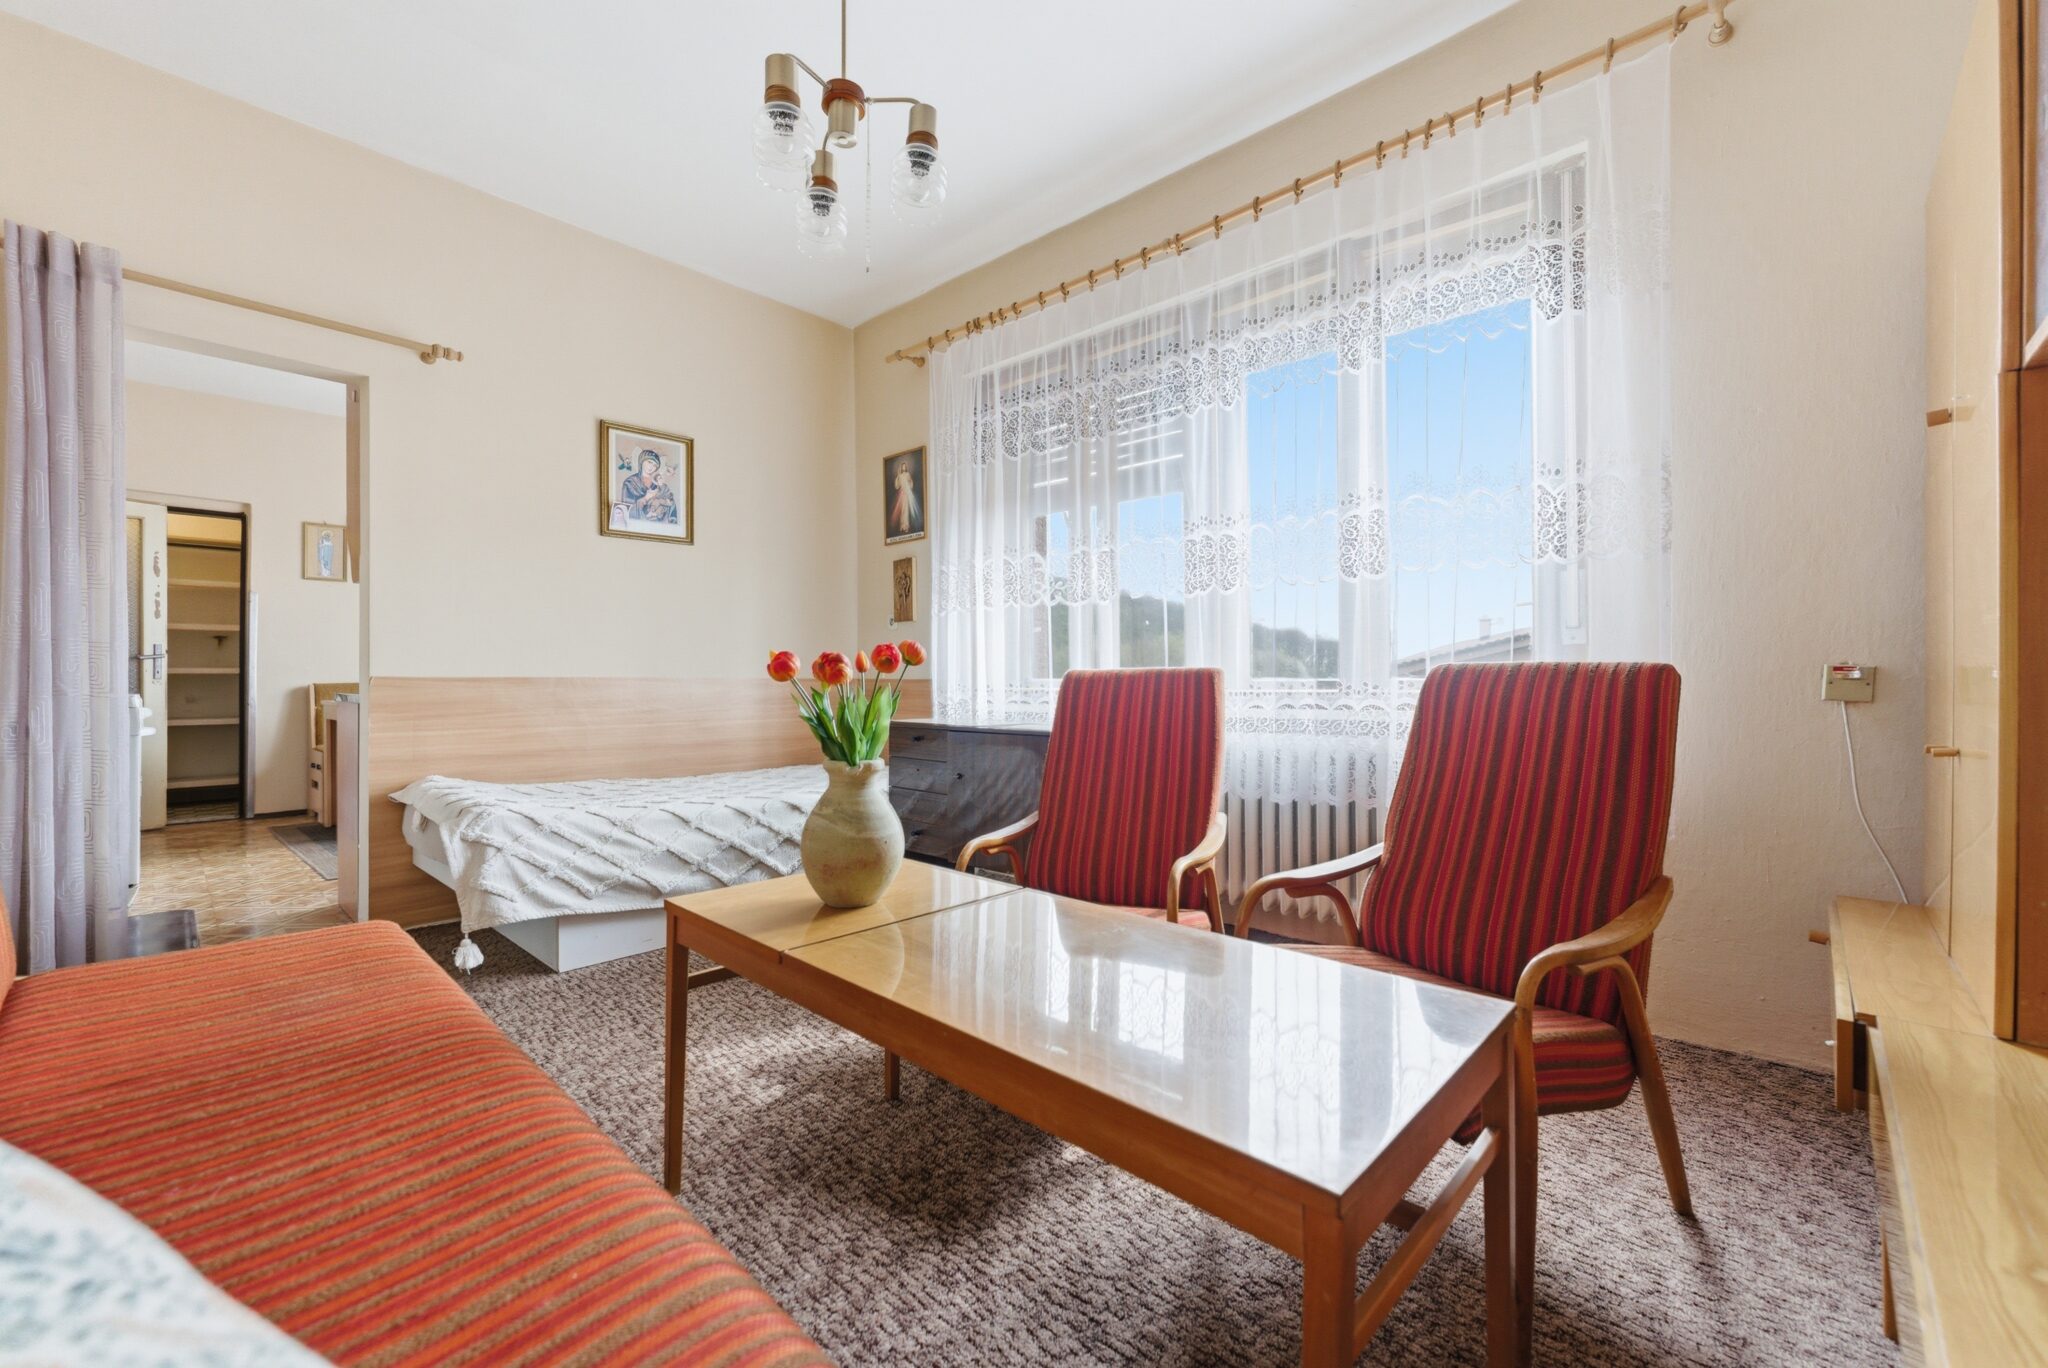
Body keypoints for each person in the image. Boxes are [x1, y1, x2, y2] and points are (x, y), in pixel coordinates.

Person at [620, 449, 678, 525]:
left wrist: (661, 502)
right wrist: (645, 498)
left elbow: (672, 505)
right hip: (637, 526)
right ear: (641, 461)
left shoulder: (662, 485)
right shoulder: (630, 483)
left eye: (655, 465)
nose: (651, 467)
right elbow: (625, 510)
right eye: (649, 462)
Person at [890, 455, 921, 536]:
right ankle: (902, 526)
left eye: (904, 466)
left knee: (906, 510)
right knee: (902, 510)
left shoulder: (907, 474)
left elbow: (911, 483)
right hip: (901, 493)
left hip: (907, 493)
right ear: (901, 468)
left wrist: (909, 485)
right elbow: (897, 486)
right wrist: (897, 476)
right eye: (902, 466)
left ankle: (906, 526)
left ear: (906, 467)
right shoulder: (900, 476)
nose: (903, 467)